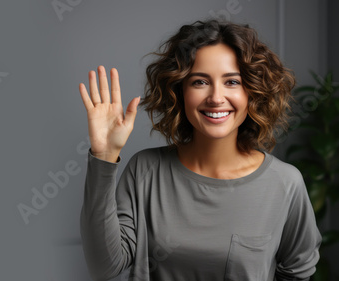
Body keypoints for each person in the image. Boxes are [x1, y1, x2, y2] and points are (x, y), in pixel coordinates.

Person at [78, 19, 322, 281]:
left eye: (232, 82)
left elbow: (297, 273)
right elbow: (104, 267)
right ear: (179, 91)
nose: (216, 97)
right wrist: (104, 157)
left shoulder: (284, 183)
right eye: (199, 82)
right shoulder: (145, 170)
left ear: (252, 92)